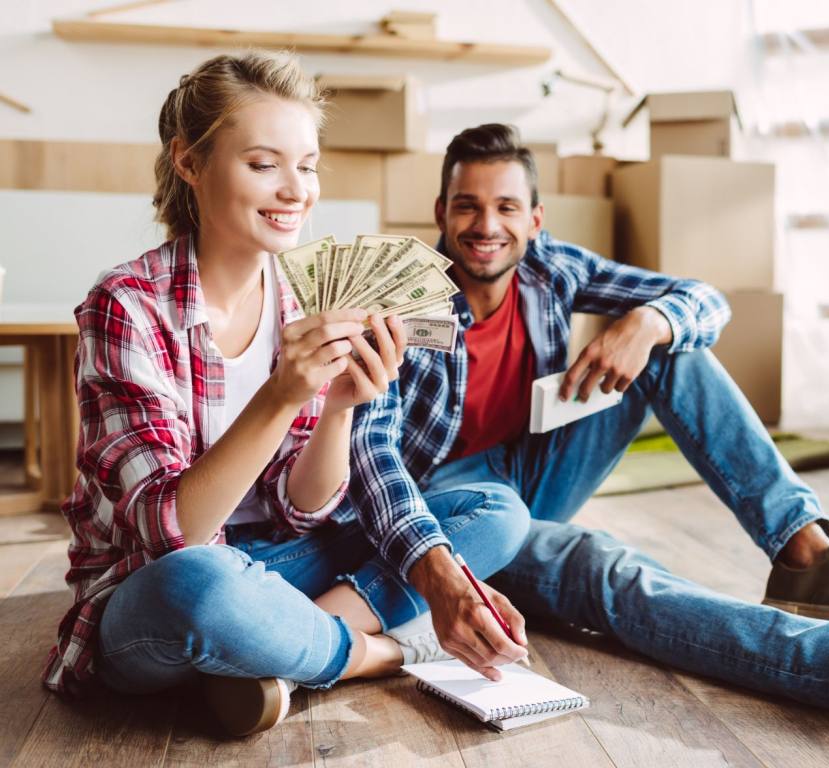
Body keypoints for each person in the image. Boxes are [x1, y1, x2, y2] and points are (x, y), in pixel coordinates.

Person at [343, 123, 829, 726]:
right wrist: (438, 571)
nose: (486, 225)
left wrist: (649, 322)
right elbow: (373, 458)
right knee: (604, 568)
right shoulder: (403, 297)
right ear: (440, 213)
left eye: (506, 207)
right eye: (467, 205)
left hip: (531, 469)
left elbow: (706, 300)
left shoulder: (552, 271)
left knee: (675, 351)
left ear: (536, 219)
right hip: (457, 511)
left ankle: (805, 554)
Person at [42, 56, 531, 738]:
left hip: (277, 564)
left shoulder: (302, 296)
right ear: (189, 163)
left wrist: (337, 408)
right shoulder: (126, 305)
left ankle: (270, 653)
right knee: (205, 587)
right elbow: (169, 532)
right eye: (264, 164)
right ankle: (369, 653)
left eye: (307, 164)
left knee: (494, 509)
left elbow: (301, 512)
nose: (296, 190)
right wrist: (279, 395)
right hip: (156, 590)